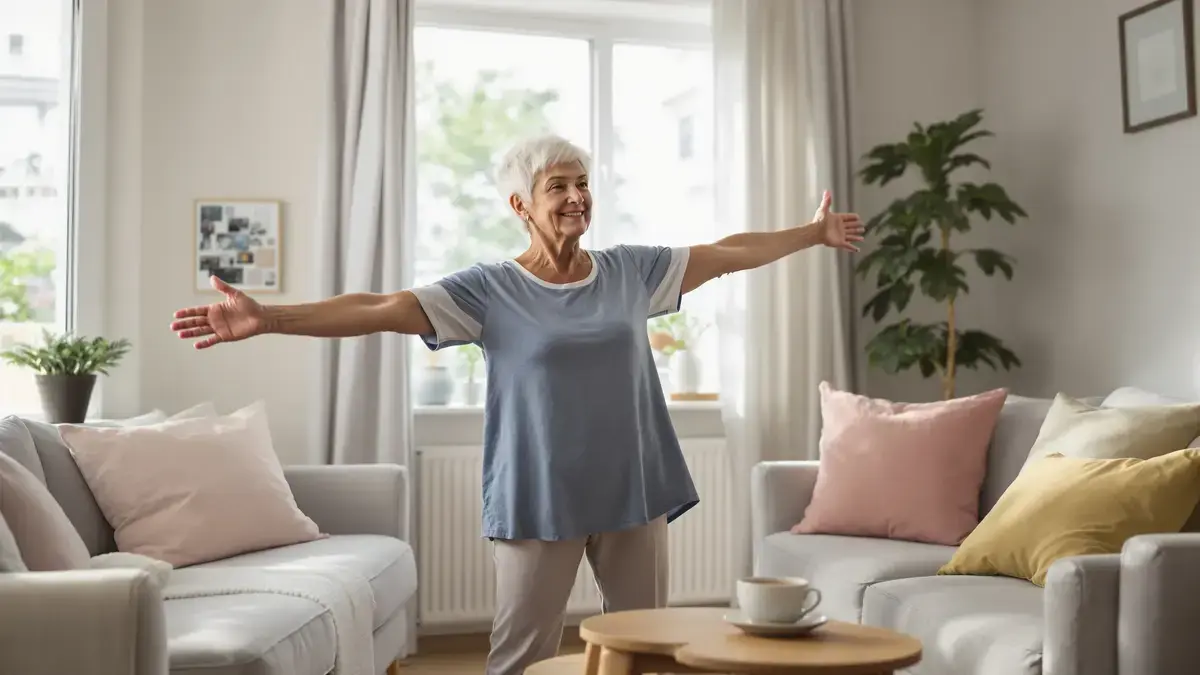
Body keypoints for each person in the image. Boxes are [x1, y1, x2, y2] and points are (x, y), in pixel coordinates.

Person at [170, 134, 864, 675]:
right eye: (557, 185)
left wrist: (813, 234)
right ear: (520, 205)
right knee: (522, 654)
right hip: (539, 493)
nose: (575, 197)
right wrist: (272, 318)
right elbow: (382, 307)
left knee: (644, 643)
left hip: (634, 483)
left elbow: (724, 251)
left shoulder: (631, 270)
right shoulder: (489, 289)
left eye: (583, 183)